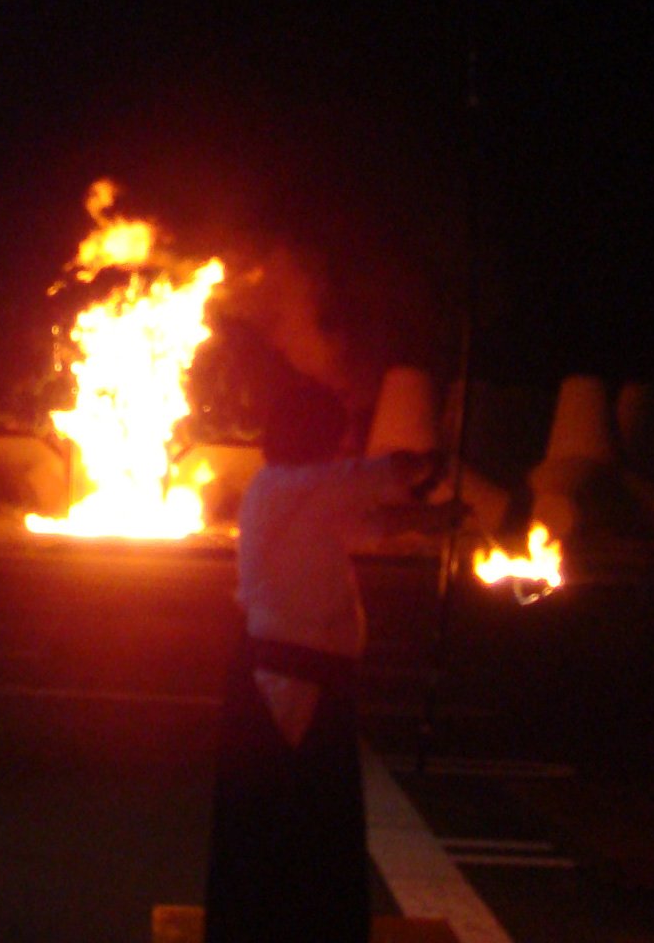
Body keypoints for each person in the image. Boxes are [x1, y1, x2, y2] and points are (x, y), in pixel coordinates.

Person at [204, 377, 458, 943]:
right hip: (292, 678)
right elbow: (384, 475)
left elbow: (371, 521)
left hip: (289, 676)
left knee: (273, 832)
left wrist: (437, 516)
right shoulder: (294, 483)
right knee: (308, 833)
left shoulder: (292, 490)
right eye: (336, 434)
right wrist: (436, 460)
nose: (344, 445)